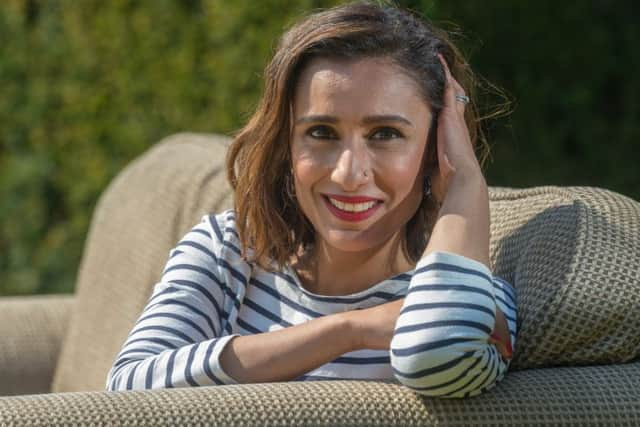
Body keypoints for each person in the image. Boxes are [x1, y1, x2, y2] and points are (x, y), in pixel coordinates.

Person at [106, 1, 517, 398]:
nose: (348, 174)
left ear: (434, 149)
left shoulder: (470, 296)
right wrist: (348, 330)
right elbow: (128, 388)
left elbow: (436, 352)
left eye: (385, 134)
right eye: (321, 132)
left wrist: (465, 181)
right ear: (286, 141)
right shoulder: (227, 249)